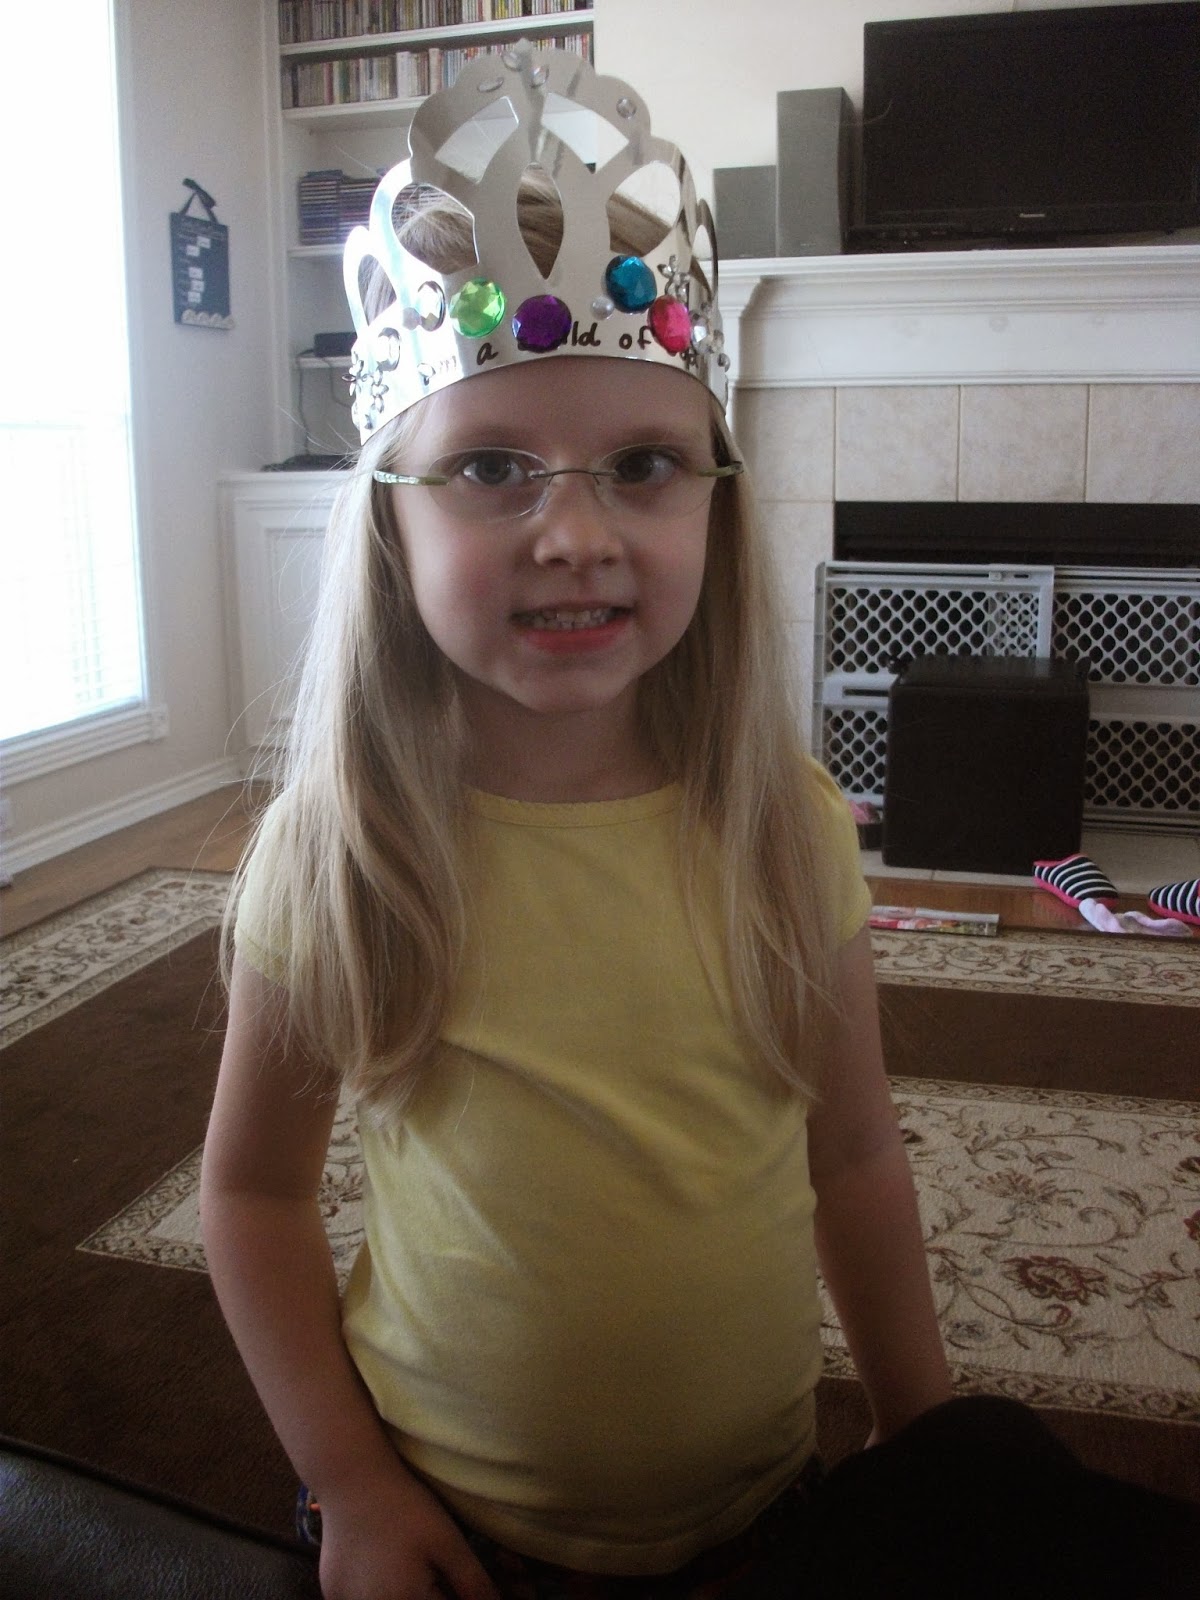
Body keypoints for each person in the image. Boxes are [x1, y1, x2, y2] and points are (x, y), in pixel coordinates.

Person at [199, 44, 956, 1600]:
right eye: (492, 467)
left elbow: (857, 1154)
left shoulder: (788, 831)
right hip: (453, 1523)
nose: (577, 534)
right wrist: (352, 1487)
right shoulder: (345, 853)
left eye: (643, 465)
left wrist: (928, 1434)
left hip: (767, 1510)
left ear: (713, 501)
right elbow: (254, 1194)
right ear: (391, 522)